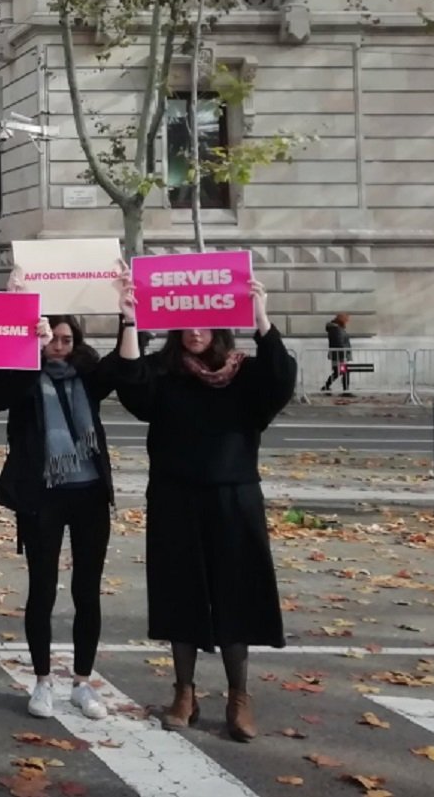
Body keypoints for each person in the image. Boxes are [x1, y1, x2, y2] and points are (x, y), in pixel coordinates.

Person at [103, 274, 295, 743]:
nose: (195, 331)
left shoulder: (245, 373)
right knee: (179, 594)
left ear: (220, 326)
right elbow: (130, 385)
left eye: (204, 323)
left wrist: (260, 316)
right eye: (185, 324)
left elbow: (281, 380)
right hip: (174, 496)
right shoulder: (165, 373)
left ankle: (238, 695)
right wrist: (128, 319)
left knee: (237, 594)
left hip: (234, 497)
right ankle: (184, 691)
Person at [0, 294, 117, 723]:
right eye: (51, 339)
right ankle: (42, 680)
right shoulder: (25, 379)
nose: (58, 346)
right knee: (41, 589)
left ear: (76, 341)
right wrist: (24, 337)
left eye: (65, 338)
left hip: (89, 495)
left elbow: (127, 368)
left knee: (87, 590)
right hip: (41, 496)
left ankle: (82, 682)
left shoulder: (88, 376)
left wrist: (131, 320)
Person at [321, 312, 353, 396]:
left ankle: (326, 387)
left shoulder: (336, 328)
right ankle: (345, 391)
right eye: (346, 320)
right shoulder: (336, 329)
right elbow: (339, 343)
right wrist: (344, 353)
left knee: (338, 372)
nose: (347, 322)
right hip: (340, 356)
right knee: (343, 372)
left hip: (339, 355)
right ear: (342, 320)